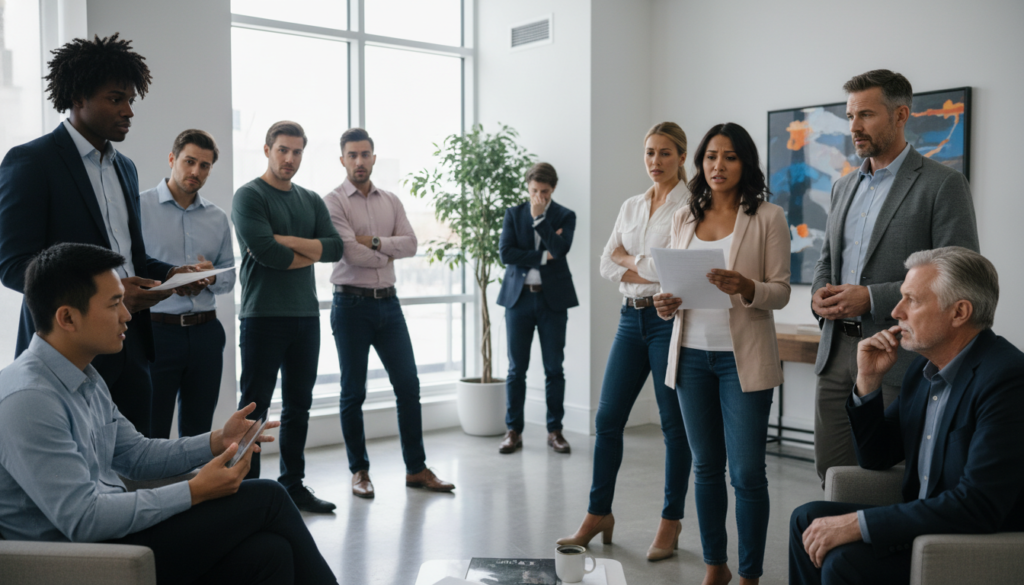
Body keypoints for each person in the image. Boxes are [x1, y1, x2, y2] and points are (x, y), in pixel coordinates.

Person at [0, 242, 337, 585]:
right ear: (67, 317)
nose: (127, 315)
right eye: (115, 303)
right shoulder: (28, 399)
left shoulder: (85, 376)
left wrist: (218, 440)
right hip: (81, 558)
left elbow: (136, 455)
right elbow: (84, 519)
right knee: (269, 497)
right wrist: (195, 491)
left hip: (113, 537)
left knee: (270, 553)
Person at [0, 34, 208, 437]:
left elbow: (129, 259)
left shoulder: (125, 167)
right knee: (80, 481)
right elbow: (12, 266)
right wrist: (99, 295)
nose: (129, 111)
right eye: (116, 99)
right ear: (78, 98)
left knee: (137, 469)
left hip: (130, 346)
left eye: (131, 99)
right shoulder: (31, 162)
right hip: (67, 352)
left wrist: (170, 275)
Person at [790, 247, 1024, 585]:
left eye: (911, 300)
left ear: (959, 312)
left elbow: (978, 504)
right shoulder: (922, 372)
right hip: (922, 520)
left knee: (843, 560)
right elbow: (876, 457)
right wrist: (868, 381)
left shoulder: (1006, 379)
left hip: (967, 537)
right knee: (805, 520)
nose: (896, 311)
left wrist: (858, 524)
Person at [811, 69, 979, 488]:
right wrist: (818, 296)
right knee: (830, 473)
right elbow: (827, 260)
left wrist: (870, 298)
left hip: (899, 356)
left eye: (865, 114)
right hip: (835, 355)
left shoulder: (944, 184)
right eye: (850, 116)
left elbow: (960, 273)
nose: (854, 127)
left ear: (901, 114)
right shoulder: (842, 187)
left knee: (886, 478)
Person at [654, 123, 791, 585]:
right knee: (707, 468)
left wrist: (747, 286)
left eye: (730, 157)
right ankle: (717, 564)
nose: (718, 165)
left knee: (748, 473)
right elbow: (671, 284)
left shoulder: (768, 216)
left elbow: (781, 292)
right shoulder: (683, 217)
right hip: (691, 356)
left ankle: (750, 573)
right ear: (701, 163)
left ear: (745, 163)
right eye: (711, 156)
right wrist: (664, 301)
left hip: (743, 361)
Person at [558, 122, 692, 561]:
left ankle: (670, 522)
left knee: (674, 426)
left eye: (665, 153)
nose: (656, 162)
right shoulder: (632, 205)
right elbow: (604, 262)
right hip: (628, 320)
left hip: (666, 321)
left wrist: (629, 261)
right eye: (650, 153)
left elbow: (674, 270)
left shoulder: (690, 206)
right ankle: (598, 514)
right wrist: (642, 265)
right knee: (608, 417)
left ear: (681, 156)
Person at [323, 128, 454, 499]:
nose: (360, 161)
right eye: (352, 155)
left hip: (389, 303)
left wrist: (376, 242)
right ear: (343, 159)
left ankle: (416, 469)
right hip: (350, 305)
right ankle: (359, 471)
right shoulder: (333, 202)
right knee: (353, 391)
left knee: (408, 385)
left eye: (365, 154)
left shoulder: (392, 201)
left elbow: (411, 244)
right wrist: (383, 249)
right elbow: (350, 253)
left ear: (374, 157)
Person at [232, 121, 344, 513]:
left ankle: (293, 485)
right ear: (267, 150)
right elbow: (267, 253)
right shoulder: (248, 196)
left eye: (297, 152)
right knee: (254, 407)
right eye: (283, 150)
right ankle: (249, 489)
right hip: (262, 316)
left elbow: (335, 249)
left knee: (300, 404)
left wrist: (288, 242)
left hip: (305, 317)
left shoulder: (311, 200)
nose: (290, 159)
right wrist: (305, 250)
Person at [141, 129, 235, 439]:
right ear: (172, 159)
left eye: (204, 165)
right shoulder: (138, 208)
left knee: (198, 432)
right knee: (152, 430)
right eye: (189, 161)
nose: (196, 171)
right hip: (156, 332)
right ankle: (156, 489)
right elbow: (125, 268)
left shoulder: (218, 218)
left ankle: (197, 488)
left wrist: (211, 277)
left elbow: (229, 279)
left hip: (205, 333)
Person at [495, 162, 579, 454]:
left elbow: (560, 250)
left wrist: (540, 220)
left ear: (552, 189)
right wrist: (543, 257)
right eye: (534, 191)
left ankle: (555, 431)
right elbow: (506, 253)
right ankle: (513, 431)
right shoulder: (512, 214)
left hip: (552, 301)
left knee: (554, 368)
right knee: (516, 369)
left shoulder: (565, 216)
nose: (538, 197)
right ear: (527, 187)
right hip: (518, 300)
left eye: (544, 192)